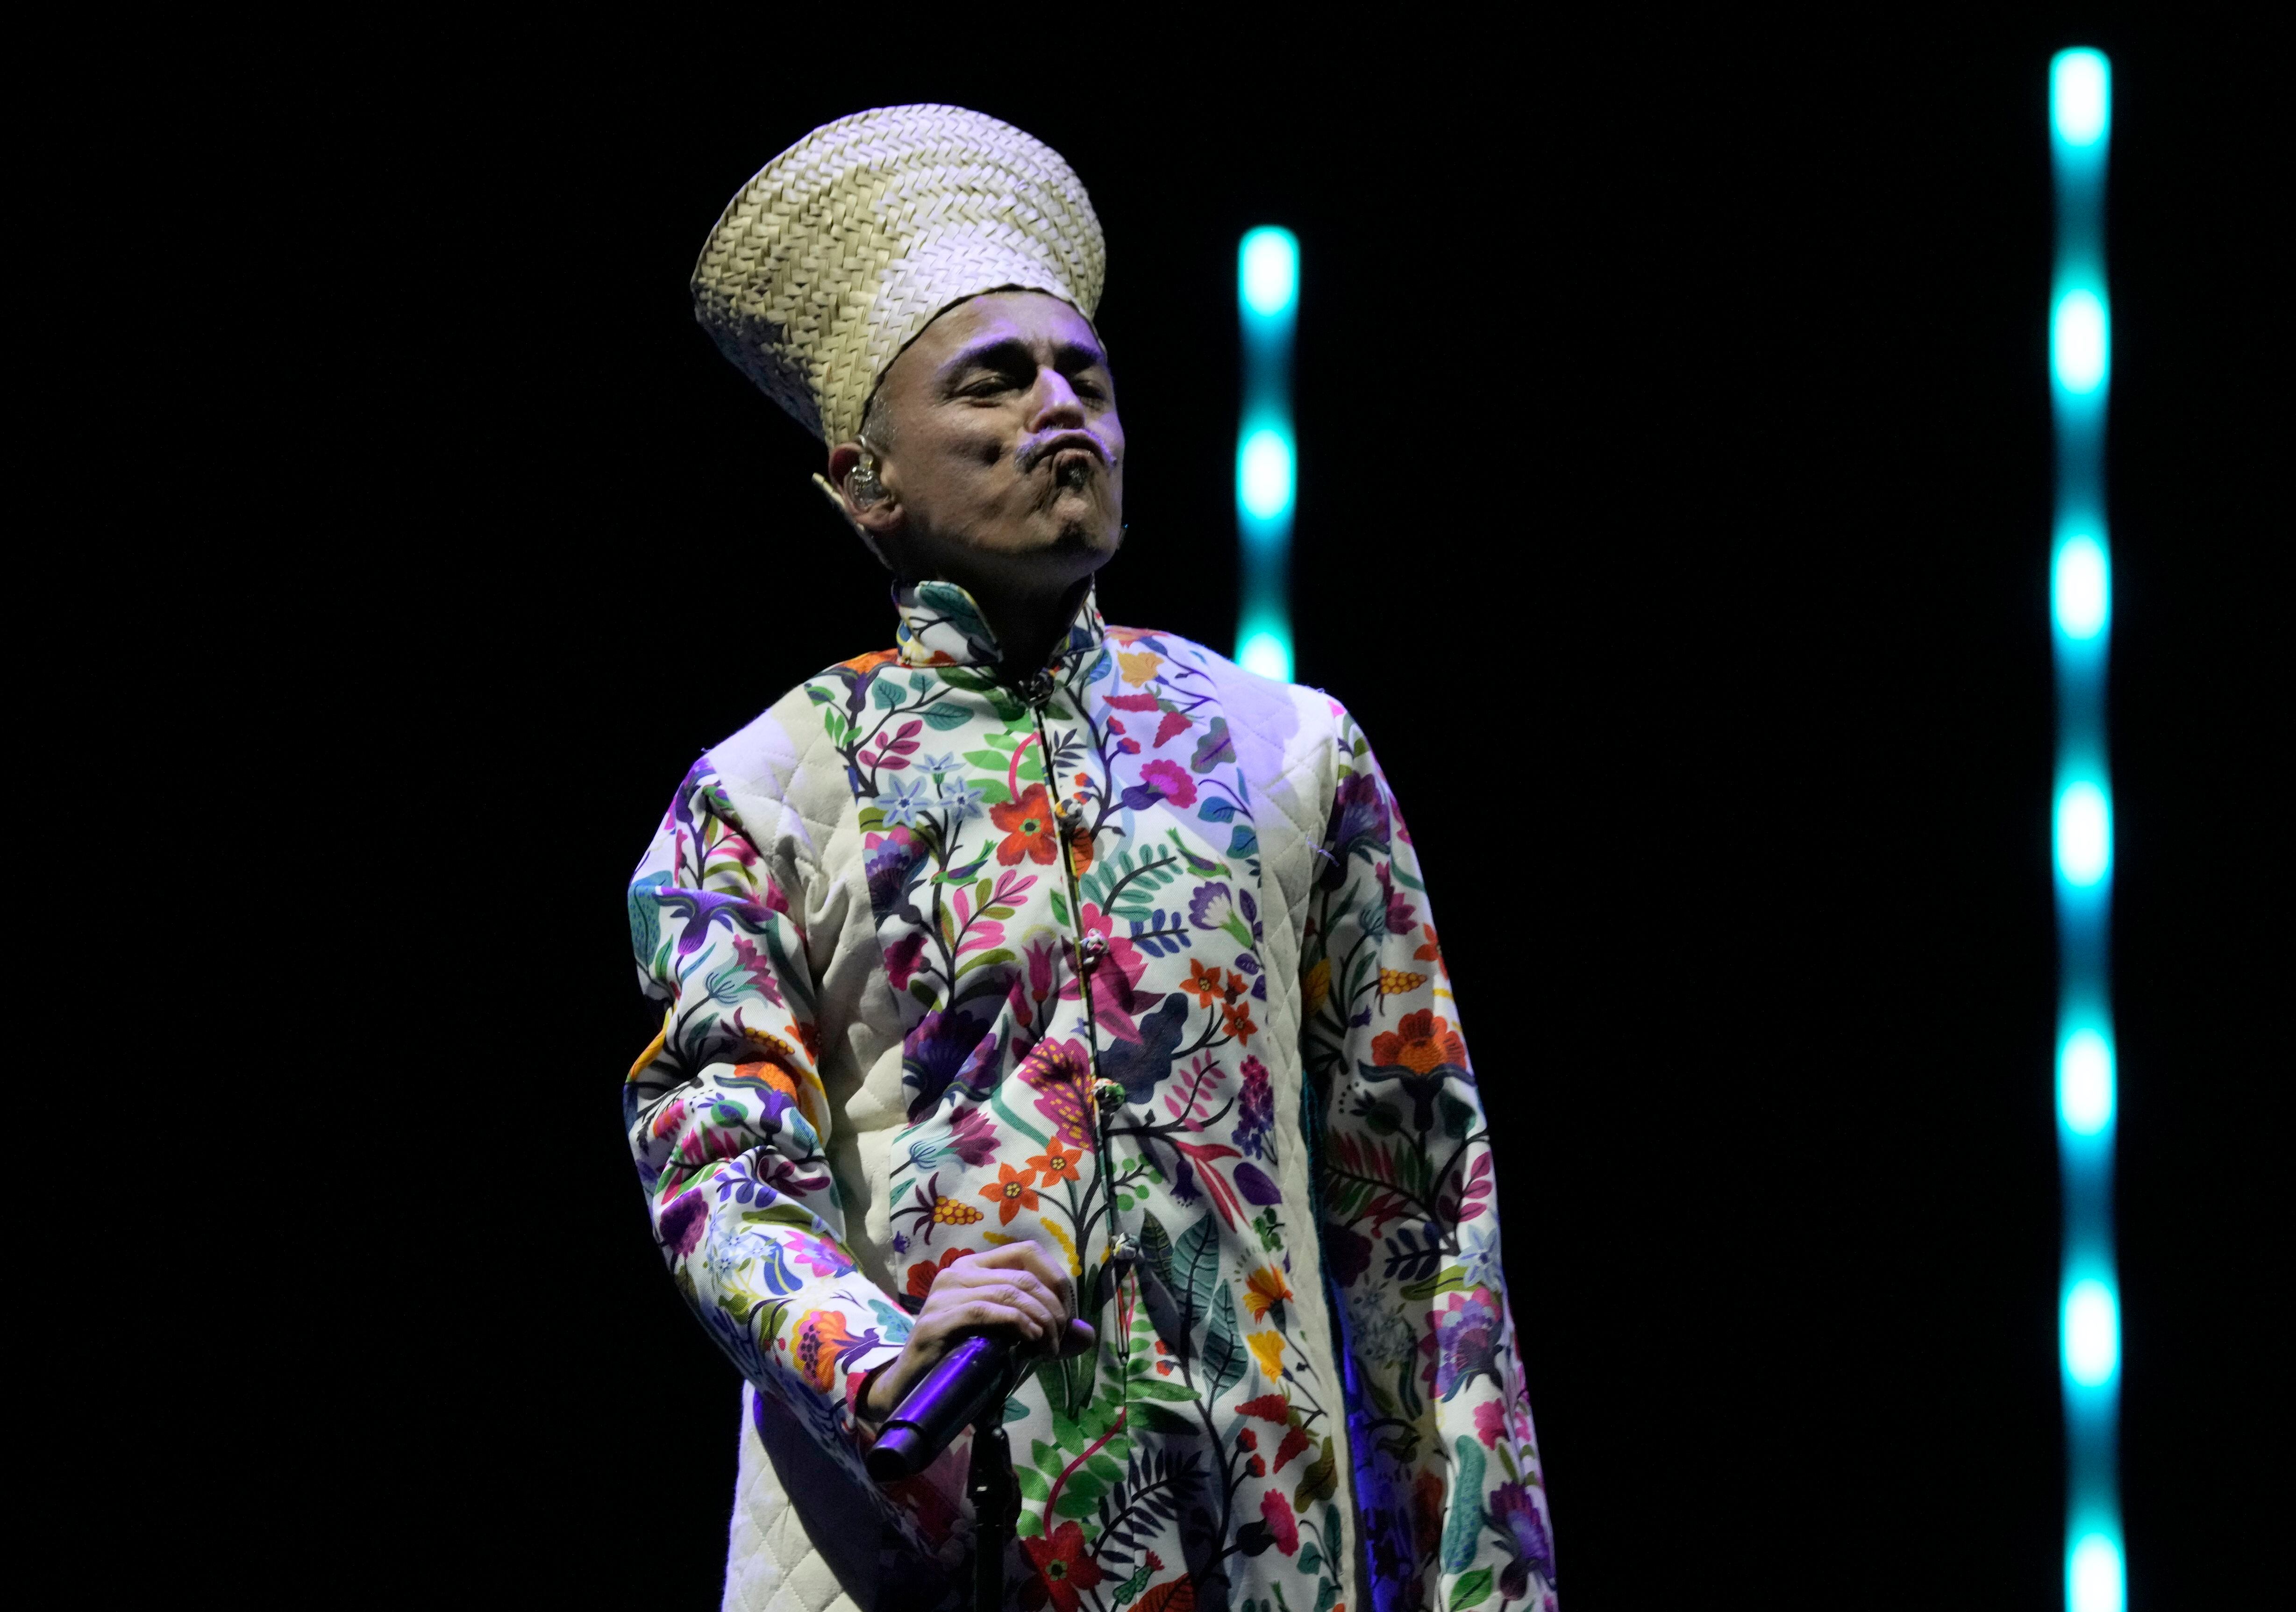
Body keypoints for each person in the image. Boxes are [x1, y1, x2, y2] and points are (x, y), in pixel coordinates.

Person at [626, 104, 1557, 1612]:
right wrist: (866, 1347)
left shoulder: (1289, 751)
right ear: (864, 478)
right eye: (993, 383)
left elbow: (1417, 1201)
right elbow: (718, 1156)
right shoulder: (763, 787)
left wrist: (1481, 1583)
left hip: (1265, 1537)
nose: (1061, 410)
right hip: (921, 1527)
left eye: (1086, 376)